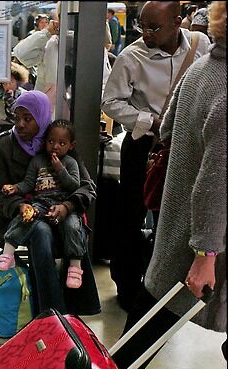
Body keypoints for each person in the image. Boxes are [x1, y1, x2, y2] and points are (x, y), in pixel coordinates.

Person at [112, 1, 226, 369]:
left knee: (142, 330)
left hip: (174, 223)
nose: (146, 32)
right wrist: (206, 251)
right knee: (148, 328)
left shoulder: (201, 68)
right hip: (205, 241)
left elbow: (167, 130)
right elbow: (215, 180)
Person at [101, 1, 210, 312]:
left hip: (183, 148)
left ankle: (162, 287)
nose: (145, 33)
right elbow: (110, 102)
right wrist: (151, 121)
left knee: (172, 219)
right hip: (143, 147)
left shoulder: (201, 45)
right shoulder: (131, 56)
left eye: (154, 27)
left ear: (177, 22)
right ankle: (126, 288)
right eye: (141, 26)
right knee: (130, 217)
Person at [0, 91, 100, 316]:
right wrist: (20, 205)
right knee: (41, 232)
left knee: (71, 225)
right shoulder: (6, 145)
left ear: (41, 117)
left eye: (28, 119)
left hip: (58, 208)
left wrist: (66, 207)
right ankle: (51, 312)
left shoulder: (58, 140)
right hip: (18, 214)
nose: (20, 124)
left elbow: (87, 187)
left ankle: (74, 305)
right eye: (16, 118)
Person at [0, 120, 85, 289]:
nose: (55, 147)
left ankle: (75, 266)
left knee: (73, 227)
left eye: (62, 143)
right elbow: (28, 183)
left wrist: (60, 169)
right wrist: (14, 188)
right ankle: (7, 254)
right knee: (24, 217)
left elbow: (74, 186)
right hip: (41, 202)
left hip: (62, 204)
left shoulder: (70, 162)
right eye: (51, 141)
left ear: (71, 146)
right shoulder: (38, 161)